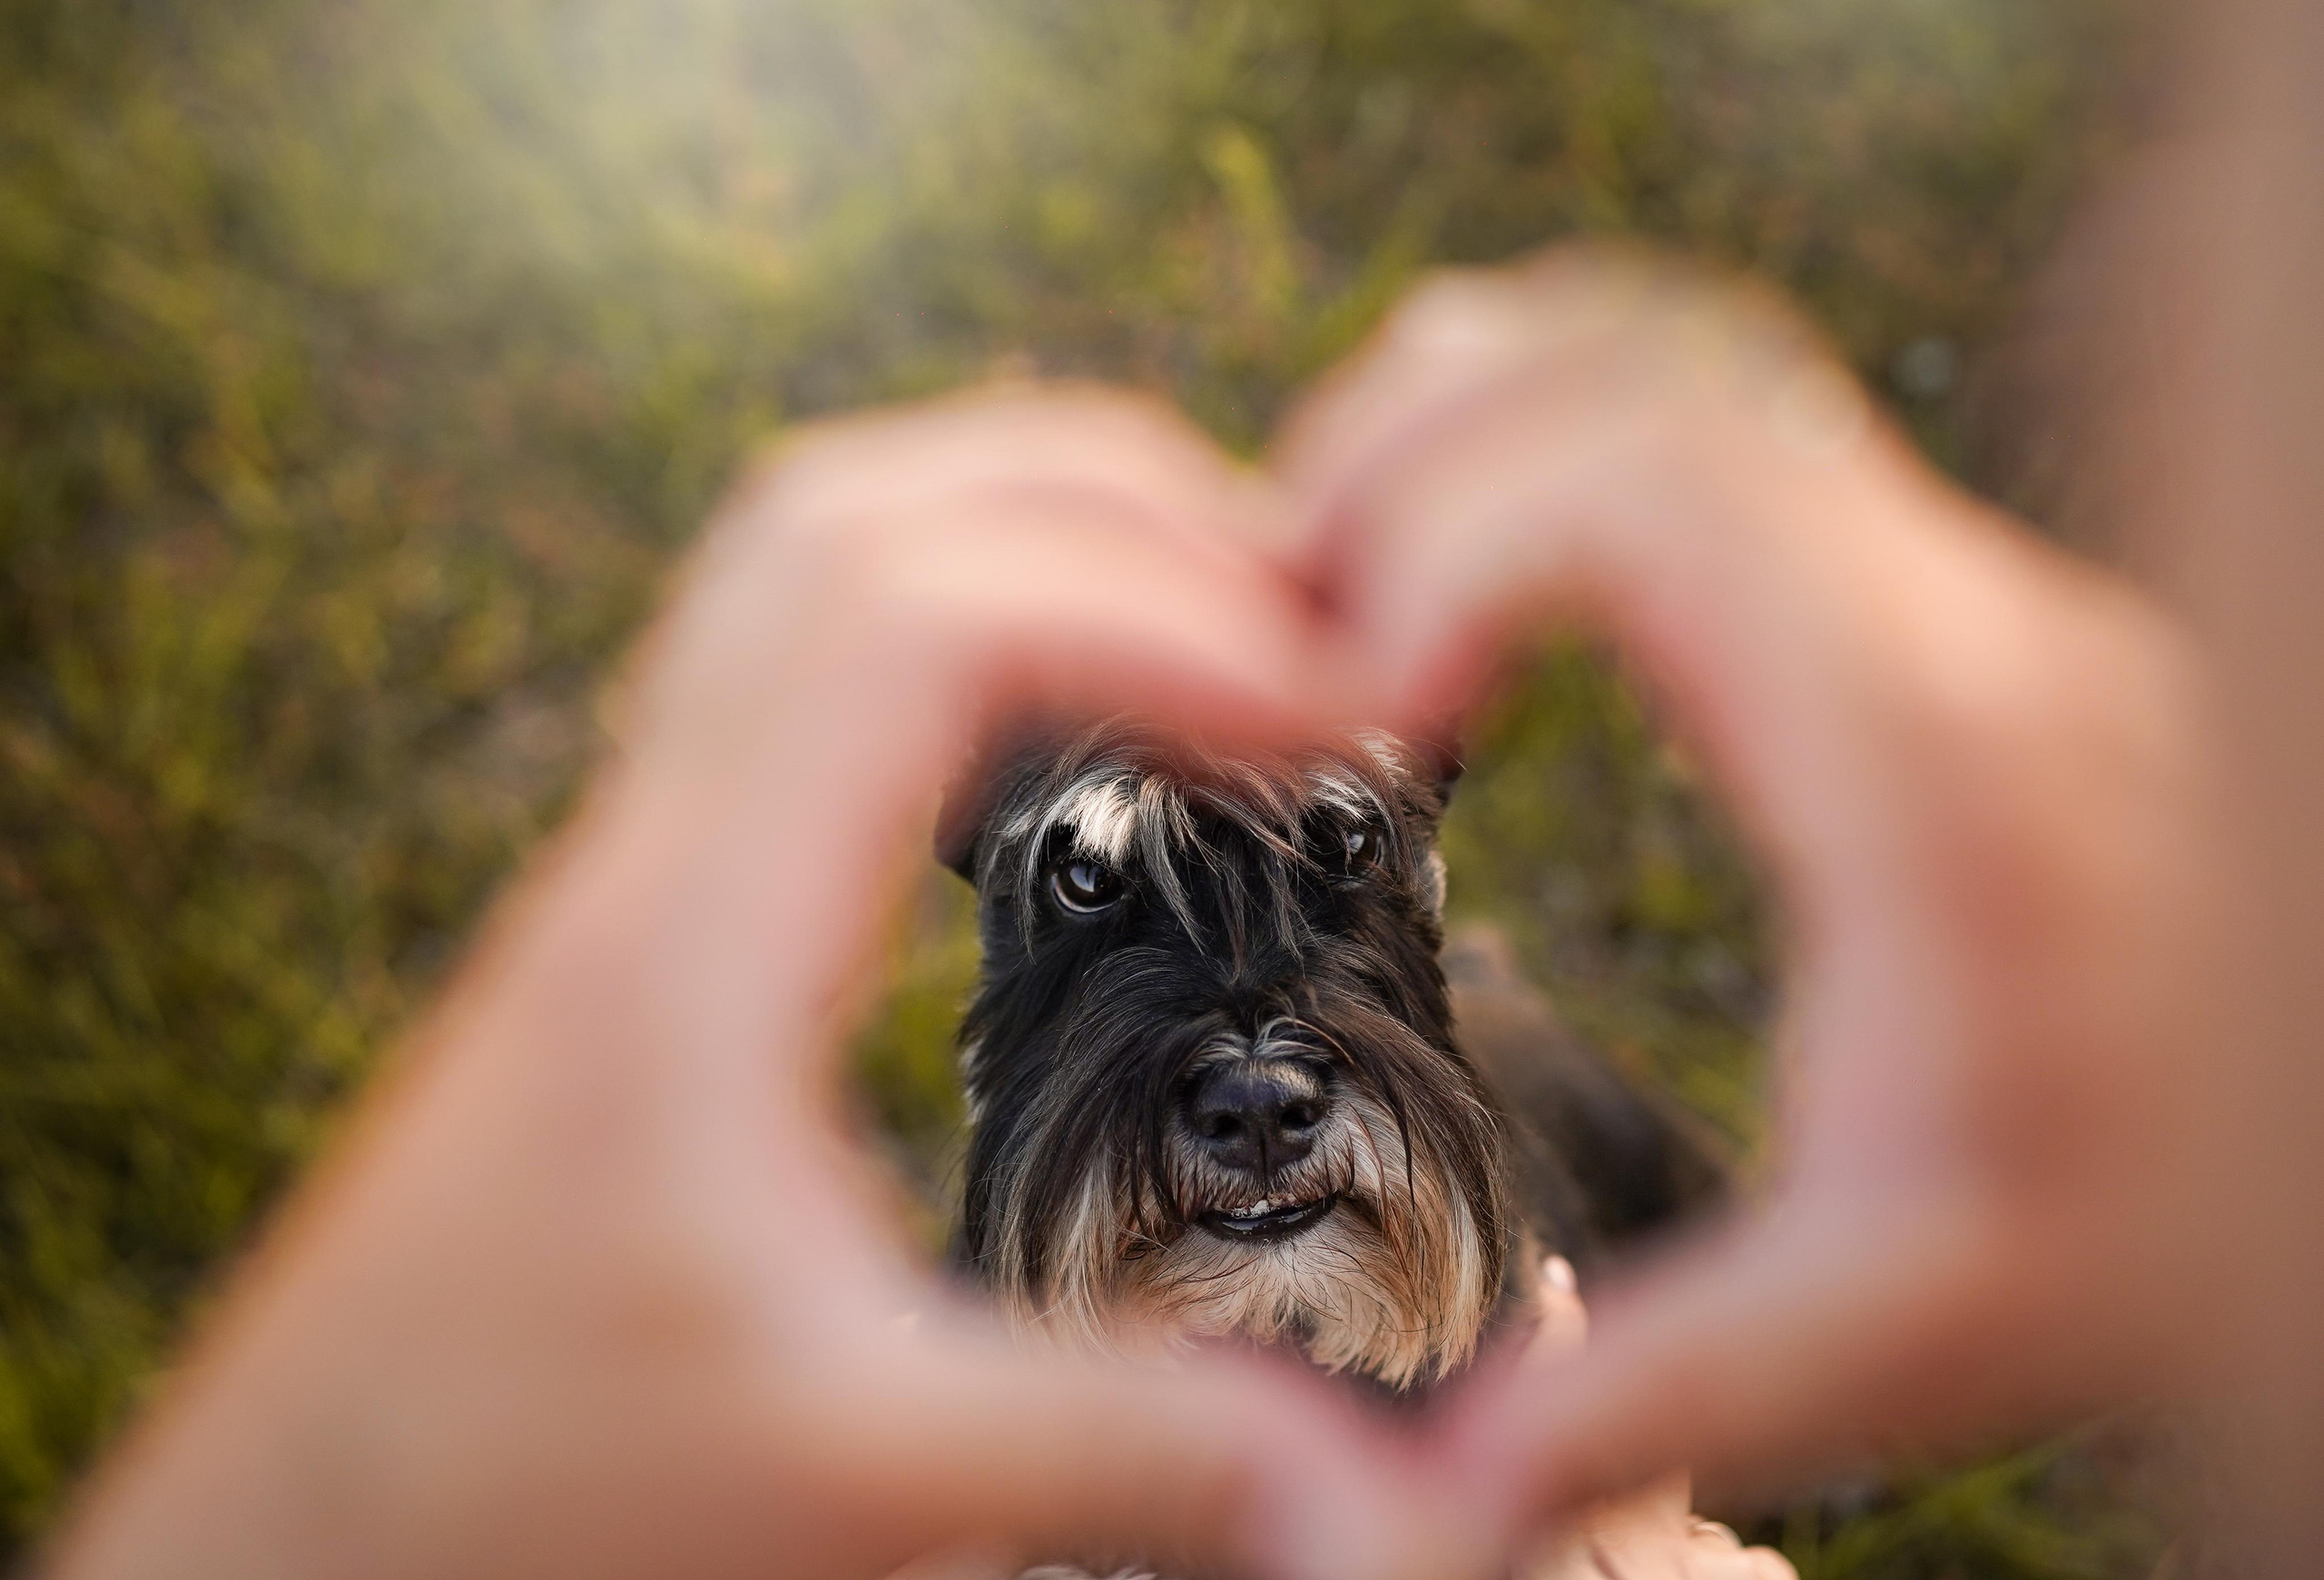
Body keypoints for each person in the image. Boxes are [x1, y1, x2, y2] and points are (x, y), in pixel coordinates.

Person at [36, 1, 2324, 1567]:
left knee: (1609, 1154)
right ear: (960, 863)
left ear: (1419, 823)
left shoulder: (1531, 1158)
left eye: (1346, 862)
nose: (1247, 1065)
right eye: (1088, 894)